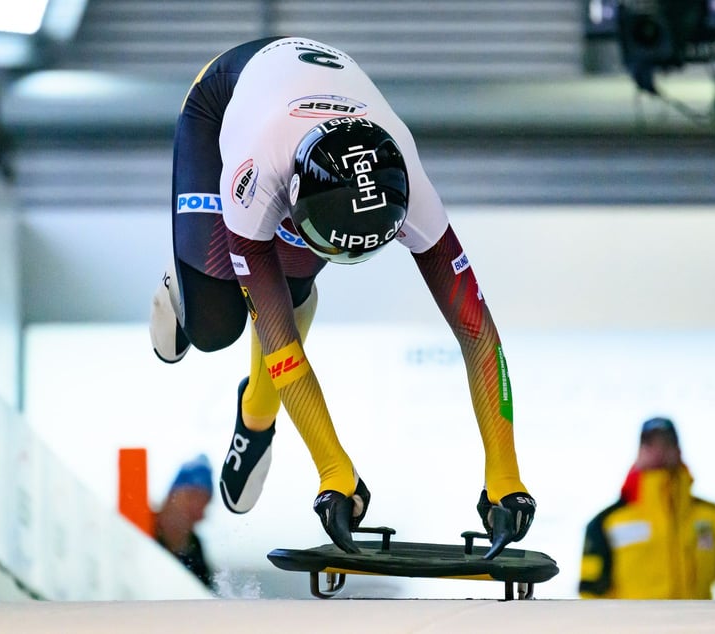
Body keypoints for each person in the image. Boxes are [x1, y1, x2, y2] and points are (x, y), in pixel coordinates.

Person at [149, 36, 535, 557]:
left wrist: (506, 476)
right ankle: (184, 283)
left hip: (302, 111)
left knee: (291, 281)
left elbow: (478, 334)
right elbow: (280, 342)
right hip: (224, 102)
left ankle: (254, 412)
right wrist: (334, 469)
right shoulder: (256, 175)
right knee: (214, 327)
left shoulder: (411, 187)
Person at [579, 417, 715, 599]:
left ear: (679, 450)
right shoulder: (606, 522)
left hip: (698, 626)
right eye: (650, 443)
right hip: (634, 627)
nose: (659, 450)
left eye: (667, 442)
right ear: (639, 451)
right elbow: (589, 594)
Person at [153, 454, 216, 591]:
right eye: (192, 497)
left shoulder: (196, 550)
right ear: (171, 496)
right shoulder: (138, 528)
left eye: (204, 503)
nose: (197, 511)